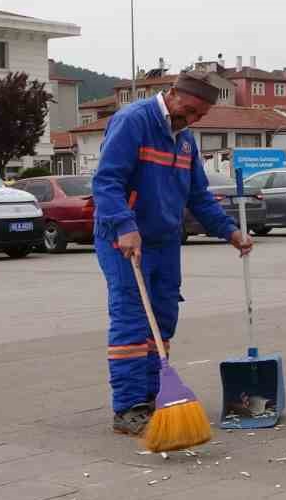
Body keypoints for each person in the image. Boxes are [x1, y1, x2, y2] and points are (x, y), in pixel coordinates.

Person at [92, 73, 254, 435]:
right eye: (191, 110)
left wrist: (230, 231)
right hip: (124, 239)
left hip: (164, 242)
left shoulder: (185, 142)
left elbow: (197, 196)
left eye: (200, 116)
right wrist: (124, 225)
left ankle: (152, 394)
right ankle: (129, 407)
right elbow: (106, 181)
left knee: (162, 320)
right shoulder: (134, 121)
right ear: (173, 93)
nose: (193, 119)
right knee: (133, 320)